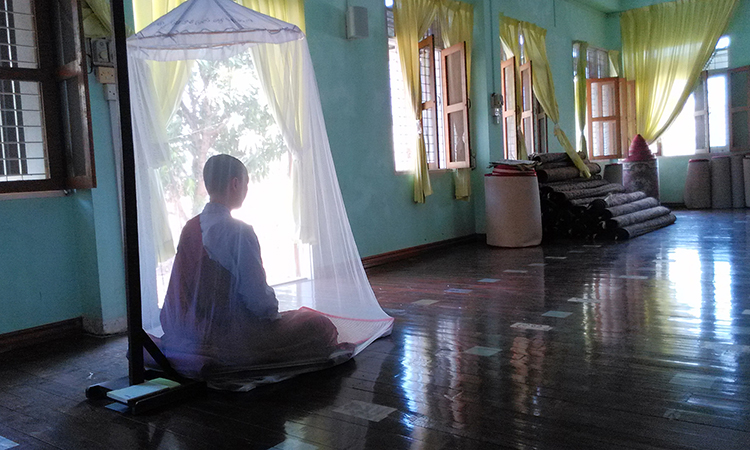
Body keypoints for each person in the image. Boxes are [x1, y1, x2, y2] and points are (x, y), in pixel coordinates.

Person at [158, 154, 347, 384]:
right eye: (246, 183)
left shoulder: (190, 228)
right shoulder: (239, 232)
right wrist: (273, 313)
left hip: (190, 333)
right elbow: (258, 300)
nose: (246, 189)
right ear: (235, 184)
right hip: (234, 337)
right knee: (319, 326)